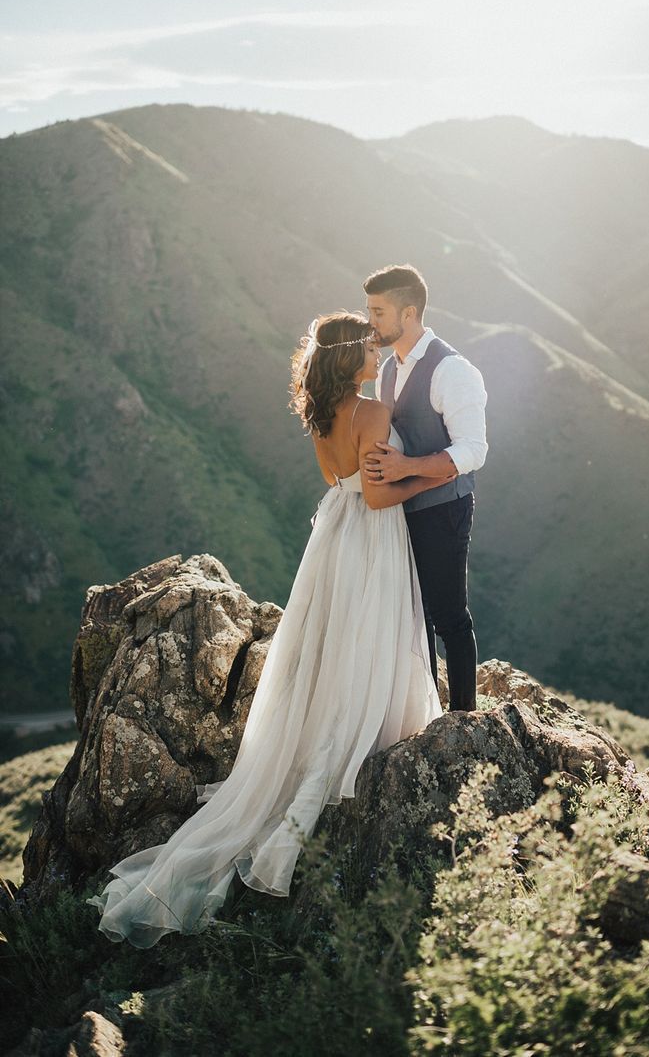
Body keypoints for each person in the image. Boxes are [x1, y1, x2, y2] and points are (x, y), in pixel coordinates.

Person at [86, 311, 446, 948]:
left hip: (334, 540)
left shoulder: (324, 414)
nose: (377, 351)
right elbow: (381, 496)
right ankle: (352, 745)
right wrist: (434, 469)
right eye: (368, 346)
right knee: (365, 640)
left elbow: (340, 484)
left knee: (332, 644)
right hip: (371, 540)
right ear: (345, 358)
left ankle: (325, 737)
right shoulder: (371, 412)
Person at [362, 265, 488, 712]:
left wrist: (404, 468)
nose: (370, 321)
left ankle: (463, 718)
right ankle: (428, 711)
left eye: (378, 312)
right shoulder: (388, 370)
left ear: (408, 312)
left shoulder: (452, 370)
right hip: (401, 508)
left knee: (449, 616)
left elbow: (473, 451)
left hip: (444, 509)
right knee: (414, 617)